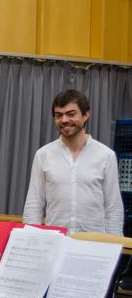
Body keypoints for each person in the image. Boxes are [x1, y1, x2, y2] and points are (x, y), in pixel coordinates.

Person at [23, 89, 123, 235]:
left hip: (95, 245)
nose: (64, 120)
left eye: (71, 114)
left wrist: (113, 245)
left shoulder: (106, 156)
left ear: (86, 115)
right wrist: (31, 242)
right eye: (58, 115)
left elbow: (113, 208)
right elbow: (34, 205)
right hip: (56, 243)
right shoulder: (43, 155)